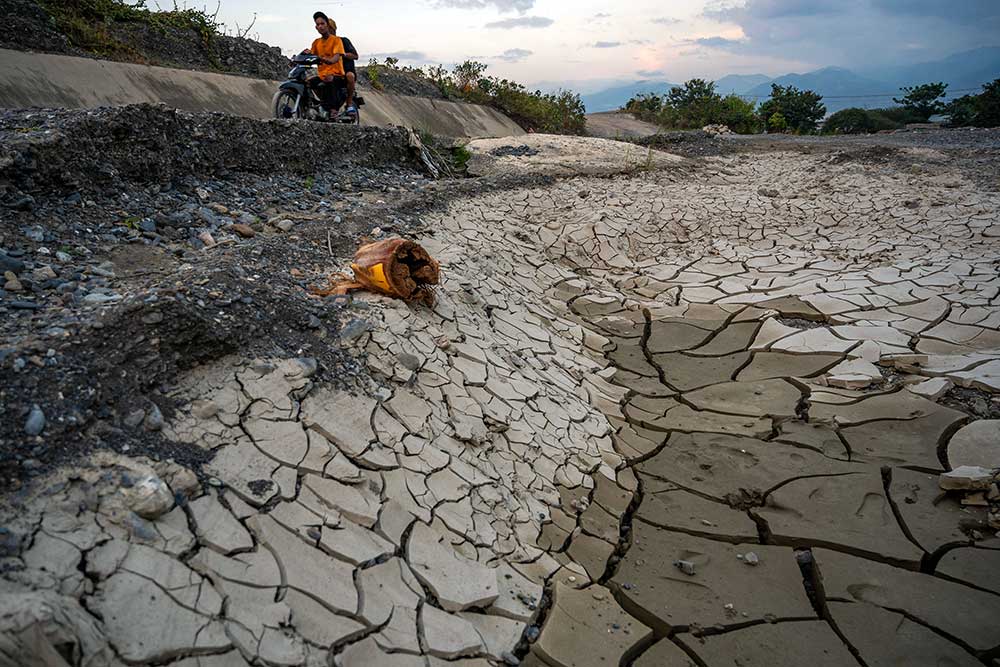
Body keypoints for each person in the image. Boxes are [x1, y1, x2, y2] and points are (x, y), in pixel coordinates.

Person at [304, 12, 346, 114]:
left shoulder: (337, 41)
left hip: (337, 75)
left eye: (322, 23)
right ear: (316, 27)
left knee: (329, 78)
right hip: (322, 75)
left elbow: (335, 59)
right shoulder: (316, 42)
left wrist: (322, 59)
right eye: (318, 25)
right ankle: (317, 103)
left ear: (328, 24)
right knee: (307, 82)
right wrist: (301, 57)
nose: (320, 26)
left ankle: (333, 109)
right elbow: (311, 55)